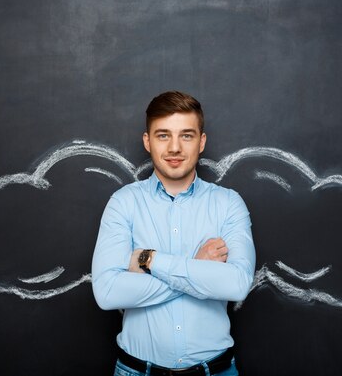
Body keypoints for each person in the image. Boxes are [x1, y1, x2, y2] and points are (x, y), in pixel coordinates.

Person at [92, 91, 256, 376]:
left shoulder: (229, 203)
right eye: (163, 135)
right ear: (148, 141)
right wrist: (198, 267)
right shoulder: (123, 202)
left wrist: (150, 260)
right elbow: (107, 292)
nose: (175, 147)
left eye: (187, 135)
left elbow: (237, 285)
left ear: (202, 142)